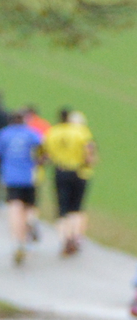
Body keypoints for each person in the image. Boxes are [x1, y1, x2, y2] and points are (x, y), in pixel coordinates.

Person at [0, 109, 44, 262]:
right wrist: (39, 162)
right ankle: (30, 223)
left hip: (11, 177)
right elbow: (43, 149)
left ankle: (17, 242)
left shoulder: (3, 134)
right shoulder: (31, 133)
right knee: (29, 207)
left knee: (14, 209)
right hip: (29, 177)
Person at [44, 107, 97, 255]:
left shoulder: (53, 132)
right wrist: (88, 162)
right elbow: (89, 151)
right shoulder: (80, 131)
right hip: (79, 171)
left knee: (62, 208)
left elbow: (45, 153)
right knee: (76, 208)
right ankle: (75, 236)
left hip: (61, 170)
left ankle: (65, 238)